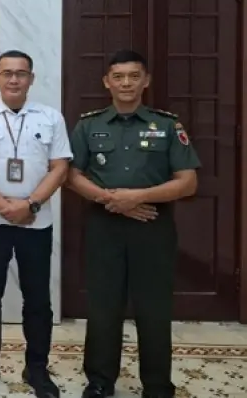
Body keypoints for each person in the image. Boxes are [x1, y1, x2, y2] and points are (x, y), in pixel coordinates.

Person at [68, 50, 200, 398]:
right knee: (103, 307)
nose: (126, 83)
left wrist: (138, 197)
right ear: (107, 82)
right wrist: (113, 201)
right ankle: (100, 381)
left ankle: (157, 385)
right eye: (118, 76)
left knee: (154, 308)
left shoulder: (167, 125)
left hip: (153, 227)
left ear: (146, 81)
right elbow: (71, 175)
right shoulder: (88, 125)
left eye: (133, 76)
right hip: (103, 226)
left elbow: (188, 182)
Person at [0, 50, 72, 398]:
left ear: (31, 79)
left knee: (37, 298)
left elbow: (60, 167)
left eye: (20, 73)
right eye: (6, 73)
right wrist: (2, 205)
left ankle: (36, 367)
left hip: (36, 222)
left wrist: (30, 204)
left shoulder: (51, 118)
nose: (13, 79)